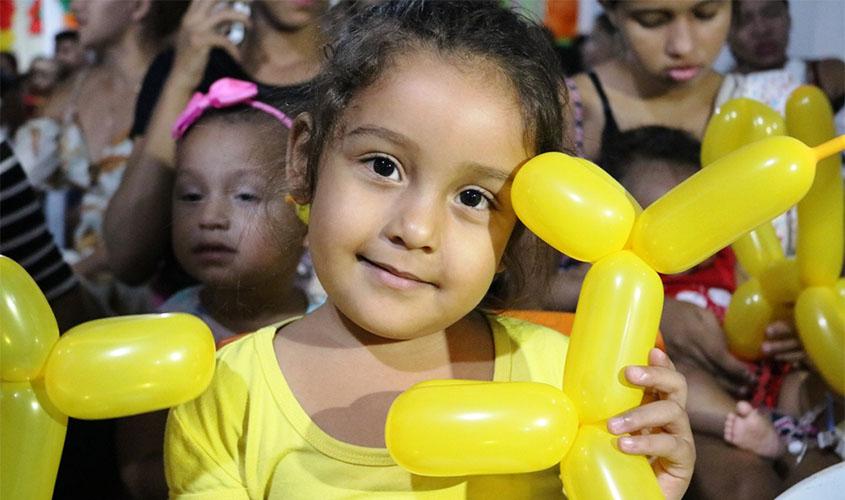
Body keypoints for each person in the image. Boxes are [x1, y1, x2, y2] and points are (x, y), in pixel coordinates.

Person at [163, 2, 695, 498]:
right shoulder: (226, 395)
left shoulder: (569, 380)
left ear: (522, 225)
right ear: (305, 159)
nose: (416, 229)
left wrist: (643, 483)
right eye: (382, 165)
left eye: (473, 197)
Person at [601, 125, 842, 498]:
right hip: (702, 404)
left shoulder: (732, 258)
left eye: (693, 218)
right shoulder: (625, 267)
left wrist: (789, 326)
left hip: (764, 378)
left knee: (801, 386)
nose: (676, 234)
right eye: (656, 218)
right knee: (679, 377)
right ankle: (746, 426)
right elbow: (567, 290)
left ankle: (786, 441)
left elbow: (769, 290)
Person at [117, 79, 311, 499]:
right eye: (190, 195)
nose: (211, 216)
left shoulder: (332, 327)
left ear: (307, 211)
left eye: (244, 195)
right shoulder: (161, 337)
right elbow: (138, 470)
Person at [104, 0, 326, 295]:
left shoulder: (359, 76)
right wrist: (182, 79)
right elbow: (127, 259)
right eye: (194, 196)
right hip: (189, 323)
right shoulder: (189, 65)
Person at [728, 0, 844, 133]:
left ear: (788, 18)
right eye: (743, 20)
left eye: (771, 13)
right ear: (724, 31)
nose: (762, 29)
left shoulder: (830, 76)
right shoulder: (716, 95)